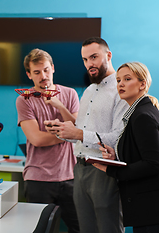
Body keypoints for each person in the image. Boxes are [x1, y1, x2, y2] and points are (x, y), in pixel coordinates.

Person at [44, 37, 129, 233]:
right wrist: (62, 131)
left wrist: (80, 133)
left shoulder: (120, 90)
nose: (89, 64)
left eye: (94, 57)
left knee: (109, 229)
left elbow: (118, 138)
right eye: (85, 60)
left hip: (104, 171)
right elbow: (80, 132)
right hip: (80, 170)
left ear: (108, 55)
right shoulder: (89, 91)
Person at [93, 62, 159, 232]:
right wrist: (116, 156)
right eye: (118, 80)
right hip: (156, 207)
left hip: (156, 209)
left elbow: (153, 164)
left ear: (142, 84)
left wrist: (111, 170)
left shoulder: (143, 116)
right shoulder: (140, 112)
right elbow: (141, 153)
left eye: (127, 79)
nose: (120, 84)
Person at [16, 48, 80, 233]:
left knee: (81, 229)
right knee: (42, 230)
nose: (43, 76)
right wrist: (67, 134)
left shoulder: (69, 94)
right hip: (39, 179)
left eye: (45, 70)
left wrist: (60, 106)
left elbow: (79, 128)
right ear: (29, 75)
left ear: (52, 68)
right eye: (36, 72)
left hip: (71, 177)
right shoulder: (24, 100)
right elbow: (36, 139)